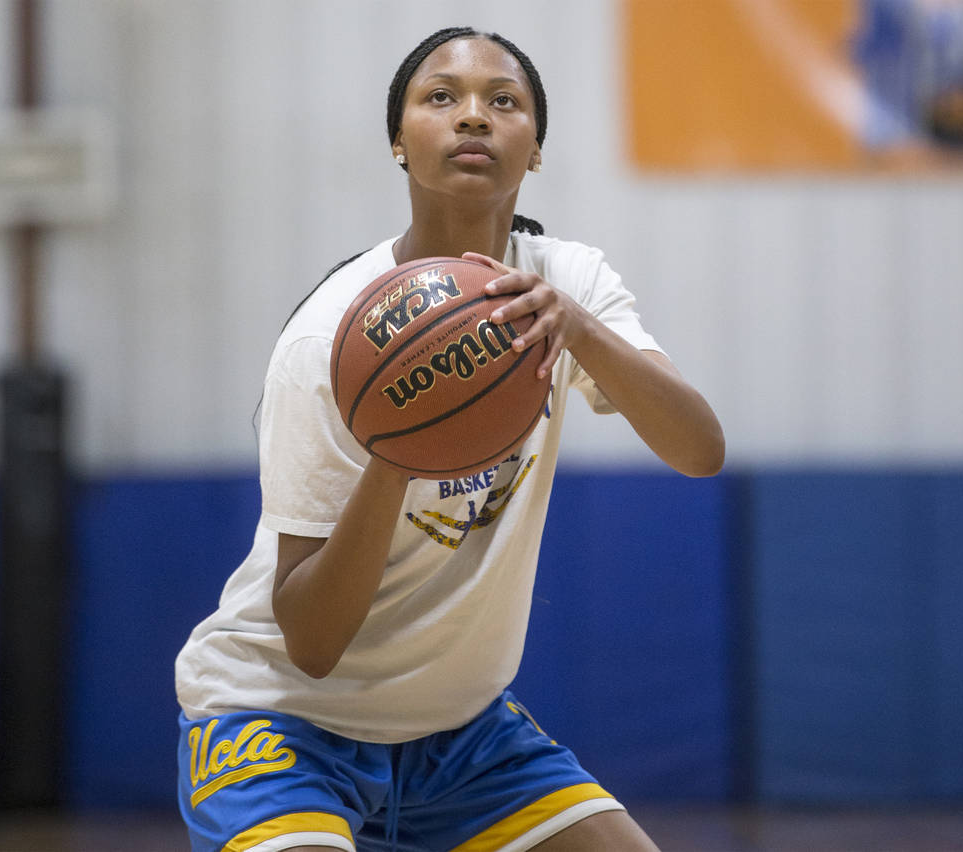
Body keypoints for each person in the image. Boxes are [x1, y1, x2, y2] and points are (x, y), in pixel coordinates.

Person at [175, 26, 724, 852]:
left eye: (504, 102)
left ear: (535, 147)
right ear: (398, 142)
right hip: (284, 720)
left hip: (460, 734)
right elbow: (313, 643)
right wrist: (396, 457)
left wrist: (578, 331)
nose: (474, 117)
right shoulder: (325, 341)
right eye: (442, 98)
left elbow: (699, 450)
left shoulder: (565, 282)